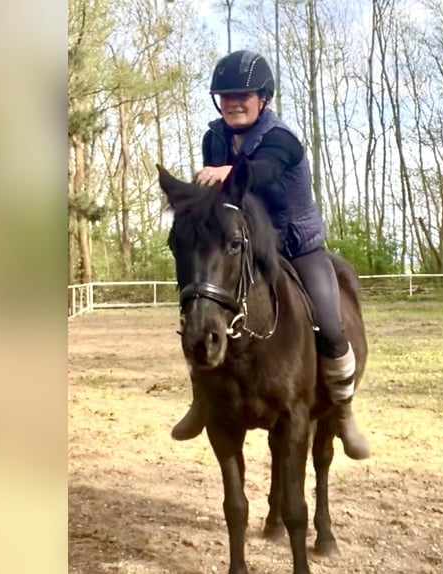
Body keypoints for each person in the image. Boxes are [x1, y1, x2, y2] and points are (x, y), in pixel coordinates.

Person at [172, 50, 369, 460]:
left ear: (263, 97)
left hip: (296, 246)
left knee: (331, 326)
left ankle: (344, 412)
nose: (233, 102)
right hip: (243, 246)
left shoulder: (282, 139)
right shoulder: (215, 137)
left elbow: (262, 171)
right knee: (200, 310)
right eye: (224, 95)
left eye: (243, 94)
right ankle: (201, 400)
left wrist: (230, 171)